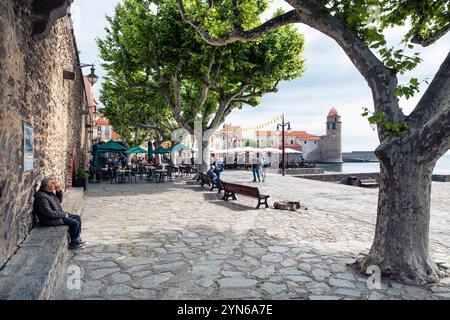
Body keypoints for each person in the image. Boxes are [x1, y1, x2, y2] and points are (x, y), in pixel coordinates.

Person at [33, 178, 85, 250]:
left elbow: (58, 201)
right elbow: (48, 213)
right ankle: (74, 243)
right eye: (52, 184)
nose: (54, 185)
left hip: (58, 214)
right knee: (74, 223)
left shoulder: (49, 192)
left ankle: (77, 239)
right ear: (47, 186)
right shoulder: (41, 196)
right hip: (49, 219)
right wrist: (64, 215)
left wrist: (58, 192)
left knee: (77, 217)